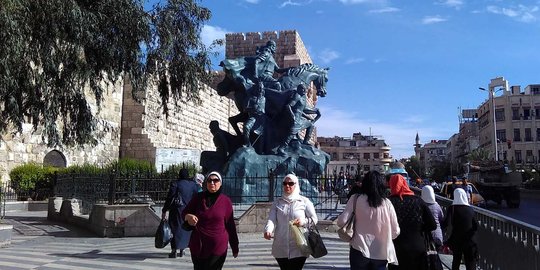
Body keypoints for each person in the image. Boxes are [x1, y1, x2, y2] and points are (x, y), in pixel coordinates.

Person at [337, 171, 401, 270]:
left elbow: (341, 222)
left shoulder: (355, 199)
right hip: (381, 251)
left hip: (359, 247)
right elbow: (395, 231)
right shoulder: (387, 203)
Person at [182, 172, 239, 270]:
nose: (212, 183)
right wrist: (189, 216)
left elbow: (230, 226)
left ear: (220, 183)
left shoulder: (226, 201)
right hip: (198, 246)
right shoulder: (198, 198)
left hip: (218, 247)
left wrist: (235, 246)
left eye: (215, 180)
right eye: (209, 180)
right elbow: (184, 214)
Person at [264, 174, 317, 270]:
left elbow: (314, 219)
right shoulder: (277, 202)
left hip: (299, 245)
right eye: (285, 183)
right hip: (281, 245)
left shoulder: (304, 201)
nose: (287, 186)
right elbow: (271, 219)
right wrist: (268, 230)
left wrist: (303, 222)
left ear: (296, 185)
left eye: (290, 183)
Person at [388, 174, 437, 270]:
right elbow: (432, 225)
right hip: (417, 245)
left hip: (395, 248)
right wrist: (419, 228)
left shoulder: (389, 202)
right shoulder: (418, 201)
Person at [161, 168, 199, 258]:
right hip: (189, 210)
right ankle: (182, 249)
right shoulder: (193, 185)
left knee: (175, 229)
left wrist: (164, 210)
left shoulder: (176, 184)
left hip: (176, 210)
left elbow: (170, 197)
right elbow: (197, 197)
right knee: (185, 229)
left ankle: (174, 250)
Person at [443, 188, 478, 270]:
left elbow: (446, 223)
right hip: (469, 239)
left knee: (456, 260)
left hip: (457, 239)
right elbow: (475, 226)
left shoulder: (452, 208)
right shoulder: (470, 209)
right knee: (470, 262)